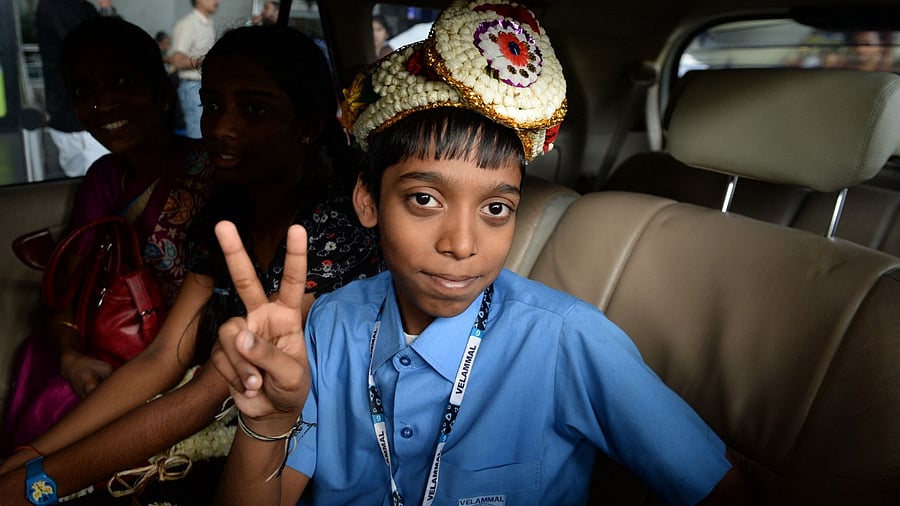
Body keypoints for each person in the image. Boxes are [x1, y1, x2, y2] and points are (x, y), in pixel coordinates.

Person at [212, 1, 755, 505]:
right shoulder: (334, 323)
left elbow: (722, 490)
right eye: (424, 199)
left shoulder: (567, 340)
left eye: (496, 209)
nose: (463, 244)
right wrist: (270, 419)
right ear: (368, 201)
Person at [0, 24, 381, 506]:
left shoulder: (330, 226)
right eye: (213, 104)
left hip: (325, 446)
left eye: (254, 108)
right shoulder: (228, 214)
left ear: (305, 125)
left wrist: (36, 485)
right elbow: (165, 356)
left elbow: (208, 393)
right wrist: (33, 453)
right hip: (246, 416)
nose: (221, 127)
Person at [0, 16, 215, 459]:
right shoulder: (103, 180)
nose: (104, 103)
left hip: (191, 358)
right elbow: (67, 289)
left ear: (160, 91)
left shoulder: (212, 172)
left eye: (122, 81)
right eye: (85, 92)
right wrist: (70, 356)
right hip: (111, 349)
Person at [35, 0, 110, 177]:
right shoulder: (58, 6)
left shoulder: (83, 7)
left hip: (79, 114)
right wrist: (107, 9)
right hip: (80, 120)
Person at [171, 0, 219, 139]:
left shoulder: (208, 23)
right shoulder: (188, 23)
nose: (217, 1)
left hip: (204, 85)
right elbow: (178, 60)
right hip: (192, 86)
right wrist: (209, 60)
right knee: (198, 135)